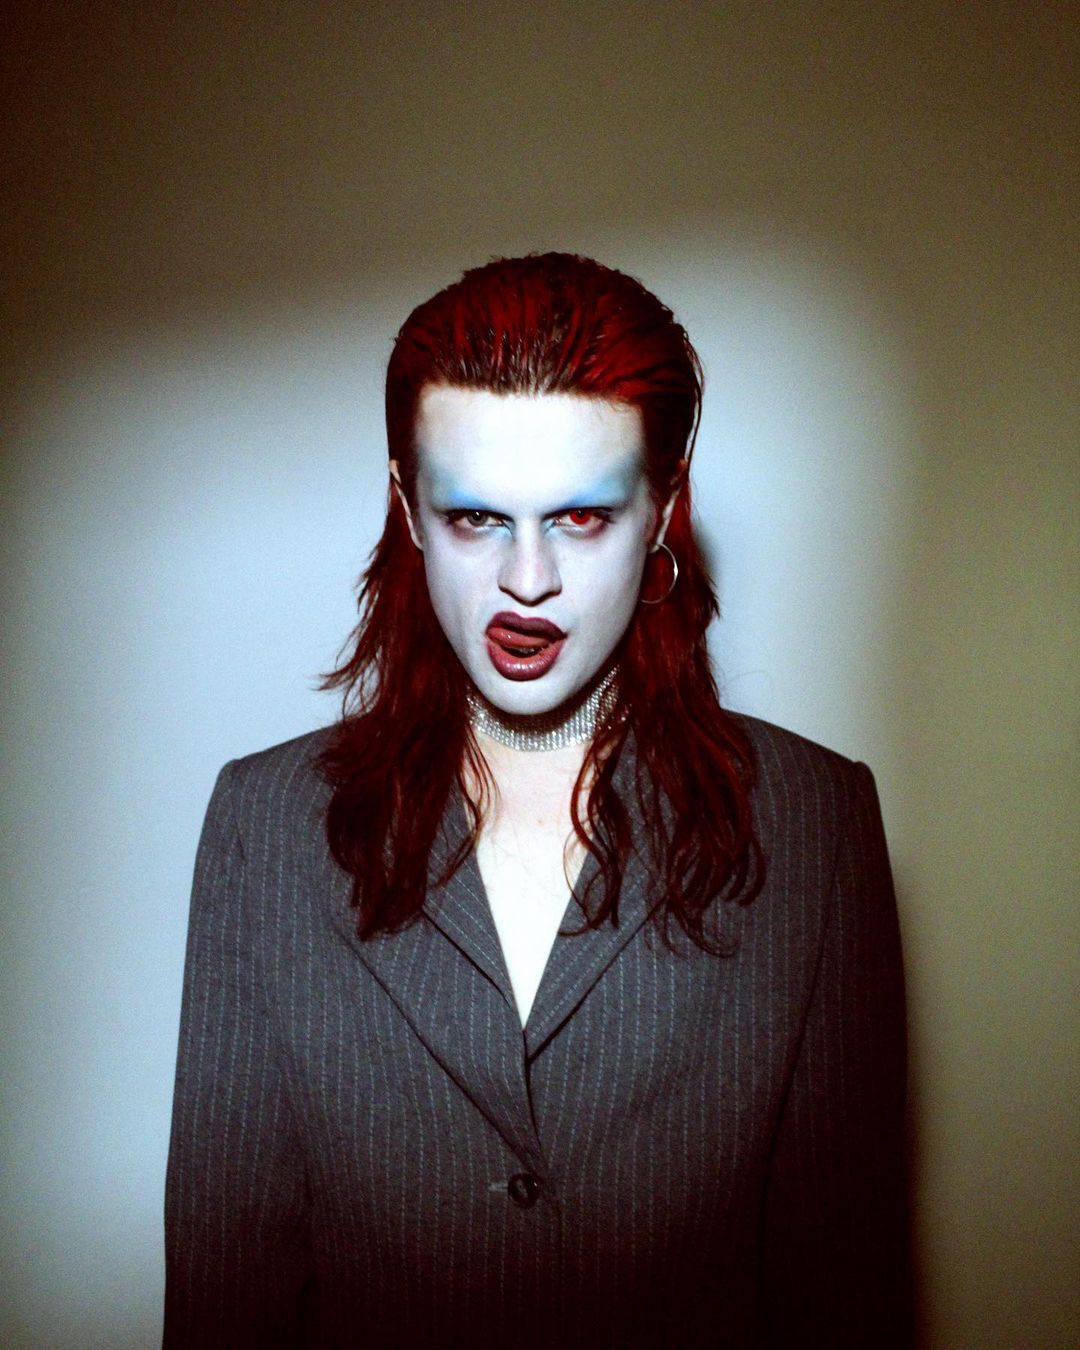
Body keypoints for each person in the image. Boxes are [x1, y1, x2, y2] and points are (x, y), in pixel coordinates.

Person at [163, 253, 912, 1347]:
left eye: (580, 518)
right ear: (407, 510)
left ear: (663, 508)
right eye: (475, 518)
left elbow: (845, 1296)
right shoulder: (264, 824)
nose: (526, 581)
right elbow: (226, 1301)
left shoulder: (815, 823)